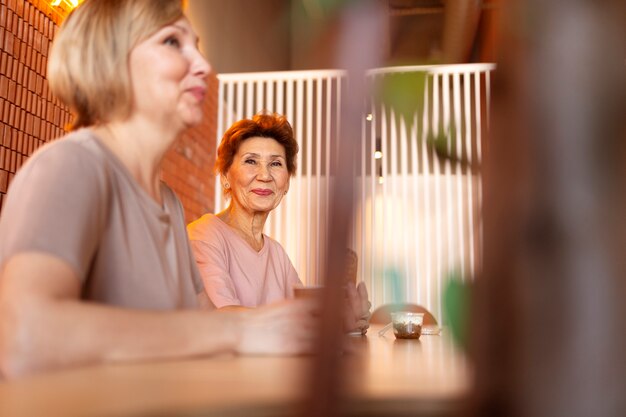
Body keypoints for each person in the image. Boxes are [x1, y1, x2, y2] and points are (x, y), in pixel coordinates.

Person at [0, 0, 317, 379]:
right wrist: (238, 331)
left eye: (196, 46)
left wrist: (304, 324)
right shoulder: (73, 166)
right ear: (112, 61)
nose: (201, 64)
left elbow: (203, 318)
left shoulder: (167, 202)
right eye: (171, 42)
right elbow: (21, 336)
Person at [187, 112, 370, 333]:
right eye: (251, 161)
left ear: (287, 184)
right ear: (226, 175)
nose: (264, 175)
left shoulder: (277, 254)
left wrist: (342, 317)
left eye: (275, 163)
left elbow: (307, 313)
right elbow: (222, 318)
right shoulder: (204, 235)